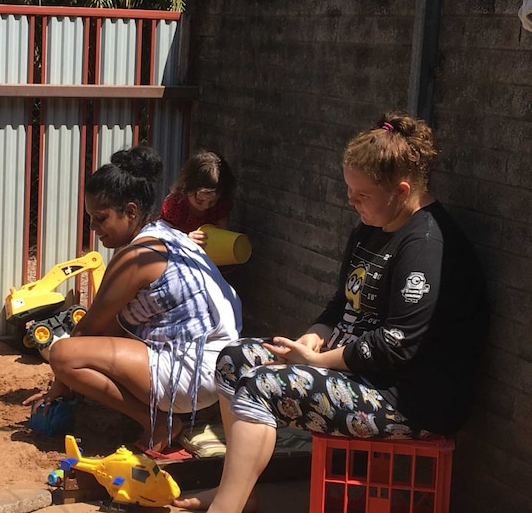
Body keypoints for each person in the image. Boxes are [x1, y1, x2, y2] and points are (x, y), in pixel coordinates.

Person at [174, 112, 490, 513]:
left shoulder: (426, 245)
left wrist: (318, 361)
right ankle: (236, 495)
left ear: (401, 190)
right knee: (234, 360)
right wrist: (315, 334)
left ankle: (227, 509)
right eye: (348, 189)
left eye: (361, 194)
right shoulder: (372, 225)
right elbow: (342, 303)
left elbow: (398, 346)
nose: (351, 201)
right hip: (358, 371)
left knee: (264, 386)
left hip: (412, 400)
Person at [24, 145, 242, 457]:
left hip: (195, 376)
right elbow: (111, 325)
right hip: (220, 369)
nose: (93, 228)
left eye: (100, 218)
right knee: (97, 342)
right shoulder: (170, 236)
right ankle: (175, 412)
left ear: (131, 211)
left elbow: (85, 332)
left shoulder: (136, 258)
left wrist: (56, 390)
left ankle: (159, 423)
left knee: (63, 354)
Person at [159, 150, 235, 248]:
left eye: (212, 202)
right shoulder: (175, 204)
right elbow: (162, 234)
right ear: (187, 187)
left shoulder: (221, 205)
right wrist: (185, 239)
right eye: (200, 201)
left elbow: (223, 233)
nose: (206, 206)